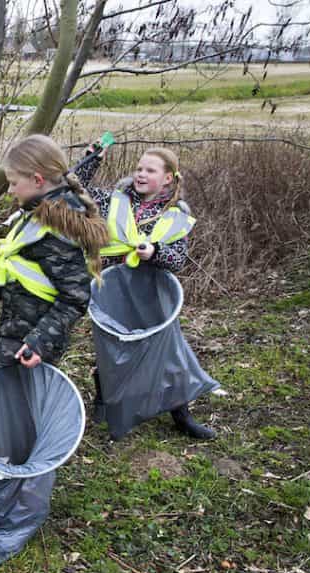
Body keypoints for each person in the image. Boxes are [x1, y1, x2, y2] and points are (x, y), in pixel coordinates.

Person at [77, 144, 216, 439]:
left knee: (168, 352)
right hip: (113, 289)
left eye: (150, 170)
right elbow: (73, 189)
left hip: (153, 295)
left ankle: (181, 413)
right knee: (112, 345)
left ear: (167, 178)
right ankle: (105, 399)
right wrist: (91, 160)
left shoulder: (175, 214)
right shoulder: (113, 200)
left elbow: (177, 259)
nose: (140, 174)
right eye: (139, 168)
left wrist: (154, 252)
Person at [0, 134, 107, 369]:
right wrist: (2, 288)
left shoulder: (55, 229)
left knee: (21, 402)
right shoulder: (39, 212)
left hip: (28, 345)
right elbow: (39, 273)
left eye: (13, 183)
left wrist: (39, 342)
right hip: (17, 330)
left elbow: (75, 298)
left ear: (37, 180)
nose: (10, 190)